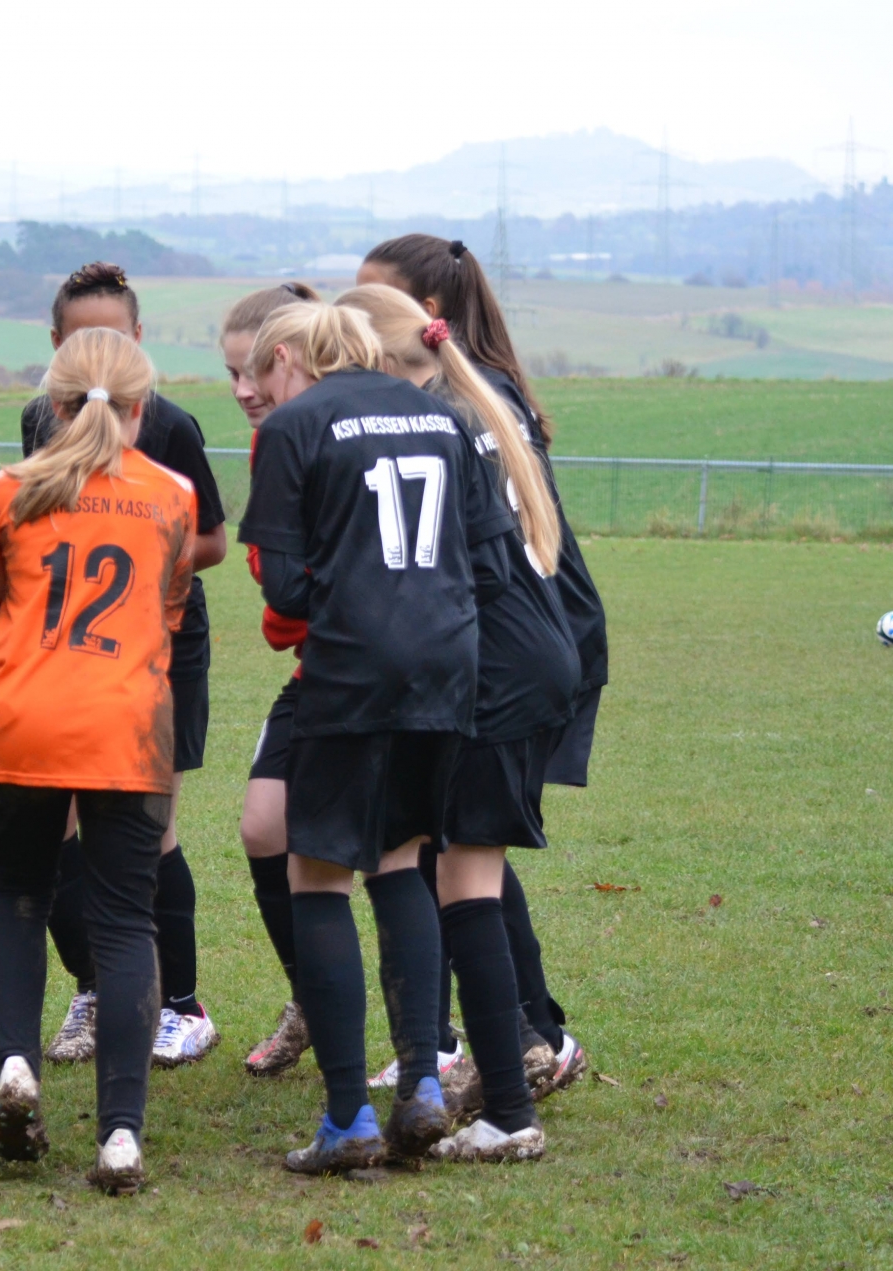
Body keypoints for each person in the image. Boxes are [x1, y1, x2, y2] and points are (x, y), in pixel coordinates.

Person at [239, 300, 523, 1171]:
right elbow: (491, 559)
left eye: (259, 370)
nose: (256, 388)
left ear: (291, 358)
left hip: (352, 669)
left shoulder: (295, 426)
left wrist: (351, 597)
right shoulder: (443, 415)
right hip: (447, 667)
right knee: (402, 859)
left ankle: (347, 1119)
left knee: (317, 873)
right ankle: (425, 1085)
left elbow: (282, 585)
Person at [335, 282, 576, 1161]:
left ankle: (509, 1110)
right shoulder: (472, 410)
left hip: (497, 672)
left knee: (465, 886)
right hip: (532, 656)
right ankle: (506, 1093)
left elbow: (449, 572)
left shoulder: (432, 426)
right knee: (465, 879)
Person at [0, 327, 196, 1195]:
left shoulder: (8, 489)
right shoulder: (174, 495)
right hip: (127, 726)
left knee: (20, 894)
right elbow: (168, 609)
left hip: (22, 716)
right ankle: (120, 1136)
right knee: (125, 923)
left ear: (53, 403)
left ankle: (16, 1065)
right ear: (141, 410)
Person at [21, 263, 228, 1070]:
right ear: (55, 344)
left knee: (150, 826)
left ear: (138, 340)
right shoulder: (41, 417)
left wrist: (144, 560)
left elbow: (212, 538)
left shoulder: (168, 424)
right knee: (57, 823)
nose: (99, 355)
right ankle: (96, 987)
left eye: (113, 337)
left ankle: (182, 1006)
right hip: (68, 647)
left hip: (162, 646)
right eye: (81, 339)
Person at [215, 282, 332, 1078]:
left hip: (372, 671)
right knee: (265, 826)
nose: (242, 389)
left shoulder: (329, 434)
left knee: (404, 852)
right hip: (314, 669)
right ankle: (312, 1001)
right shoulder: (272, 441)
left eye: (253, 370)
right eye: (230, 372)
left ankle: (441, 1037)